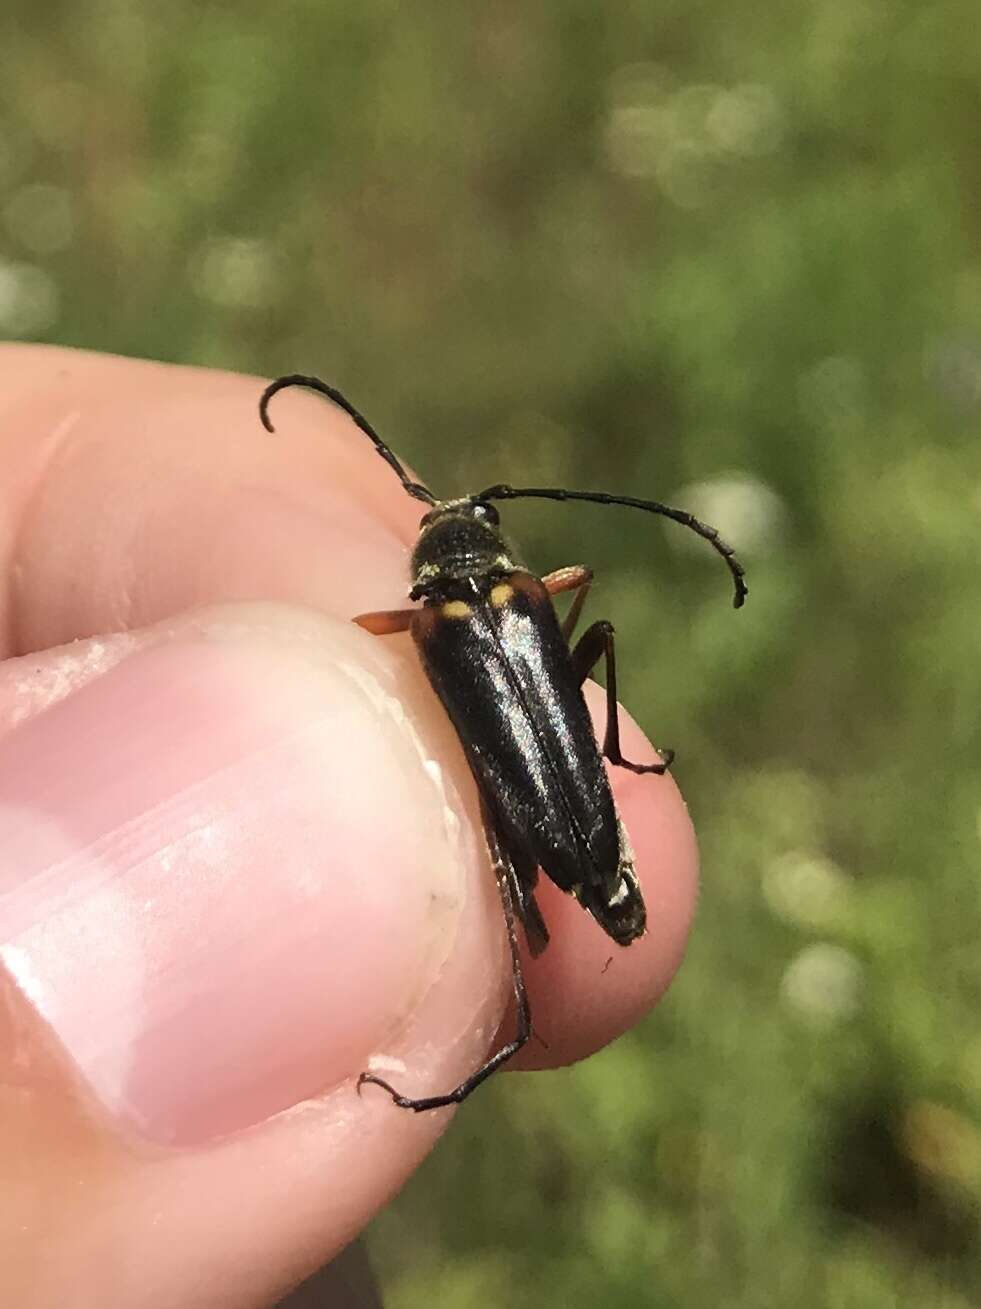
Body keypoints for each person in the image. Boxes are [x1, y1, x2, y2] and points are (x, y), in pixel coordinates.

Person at [0, 345, 698, 1307]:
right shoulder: (535, 595)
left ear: (427, 560)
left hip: (551, 816)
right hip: (573, 816)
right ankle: (603, 801)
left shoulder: (425, 628)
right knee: (533, 785)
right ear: (490, 548)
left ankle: (590, 824)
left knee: (501, 853)